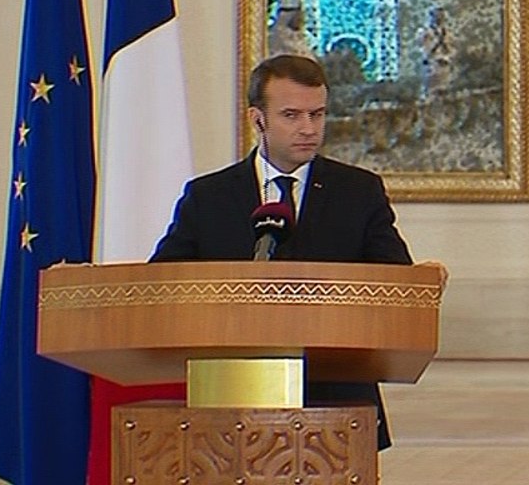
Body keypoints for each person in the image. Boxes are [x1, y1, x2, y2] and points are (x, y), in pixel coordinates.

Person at [150, 54, 415, 450]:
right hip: (229, 403)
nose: (308, 129)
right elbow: (165, 283)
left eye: (317, 114)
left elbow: (393, 282)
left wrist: (420, 283)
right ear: (258, 119)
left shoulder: (358, 192)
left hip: (336, 405)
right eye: (292, 115)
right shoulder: (208, 197)